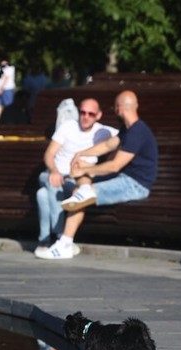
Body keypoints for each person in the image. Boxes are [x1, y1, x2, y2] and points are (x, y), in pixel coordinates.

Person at [36, 91, 158, 259]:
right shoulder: (128, 130)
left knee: (78, 194)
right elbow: (108, 145)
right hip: (124, 179)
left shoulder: (137, 132)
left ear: (118, 108)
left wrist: (85, 169)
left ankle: (64, 244)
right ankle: (84, 193)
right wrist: (81, 154)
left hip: (135, 185)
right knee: (81, 183)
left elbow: (115, 166)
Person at [34, 98, 117, 255]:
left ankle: (44, 241)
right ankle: (61, 238)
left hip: (75, 180)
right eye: (82, 112)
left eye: (91, 114)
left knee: (42, 194)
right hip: (53, 174)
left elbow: (126, 138)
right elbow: (49, 154)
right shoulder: (68, 127)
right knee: (53, 183)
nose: (85, 117)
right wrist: (54, 170)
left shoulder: (104, 132)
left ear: (98, 115)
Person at [0, 59, 16, 123]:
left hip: (7, 89)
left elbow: (6, 78)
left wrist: (1, 88)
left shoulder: (9, 68)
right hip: (0, 89)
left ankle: (10, 119)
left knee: (8, 105)